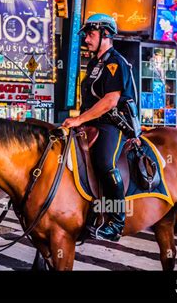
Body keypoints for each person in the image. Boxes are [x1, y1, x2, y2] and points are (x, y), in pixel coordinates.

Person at [62, 13, 138, 242]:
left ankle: (116, 222)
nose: (86, 39)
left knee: (105, 163)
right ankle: (89, 212)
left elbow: (110, 101)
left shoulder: (115, 62)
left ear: (106, 35)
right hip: (92, 122)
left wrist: (78, 119)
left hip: (112, 124)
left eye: (91, 34)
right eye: (86, 35)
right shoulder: (96, 62)